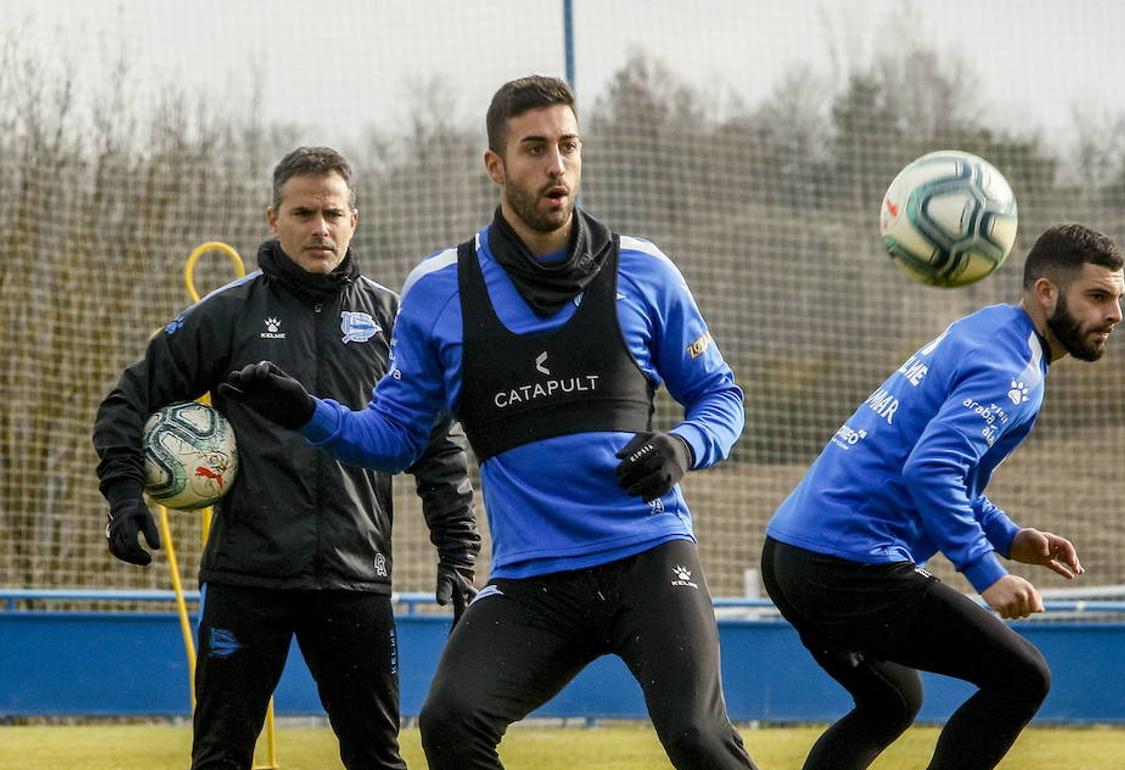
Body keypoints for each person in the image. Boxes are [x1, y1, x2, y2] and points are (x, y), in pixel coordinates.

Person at [220, 76, 759, 770]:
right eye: (534, 148)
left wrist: (683, 445)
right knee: (451, 722)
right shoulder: (441, 290)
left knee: (695, 733)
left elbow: (721, 396)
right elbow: (395, 438)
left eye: (568, 146)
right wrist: (308, 413)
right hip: (534, 579)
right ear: (496, 166)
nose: (555, 164)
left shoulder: (645, 270)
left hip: (647, 557)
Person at [92, 146, 480, 770]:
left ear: (356, 218)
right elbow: (127, 400)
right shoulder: (227, 314)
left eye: (332, 212)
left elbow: (436, 446)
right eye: (303, 213)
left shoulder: (391, 321)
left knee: (377, 757)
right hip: (248, 577)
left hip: (356, 576)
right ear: (273, 218)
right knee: (219, 757)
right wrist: (124, 494)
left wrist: (458, 551)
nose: (319, 227)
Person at [761, 223, 1125, 770]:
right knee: (1022, 677)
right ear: (1047, 292)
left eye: (1118, 299)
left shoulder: (989, 331)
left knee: (891, 702)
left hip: (791, 554)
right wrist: (987, 574)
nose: (1114, 314)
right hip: (849, 566)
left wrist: (1010, 537)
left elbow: (938, 469)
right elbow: (931, 471)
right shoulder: (1010, 370)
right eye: (1097, 297)